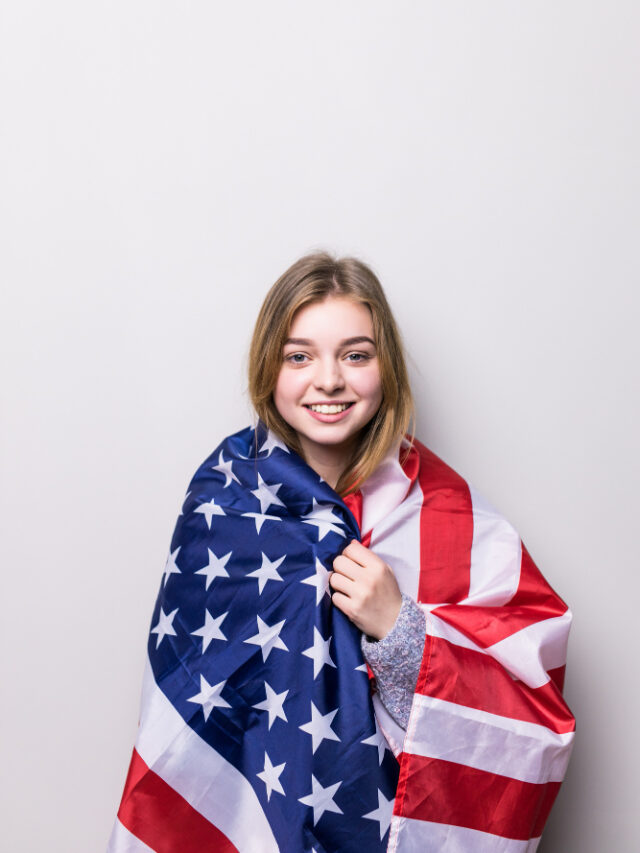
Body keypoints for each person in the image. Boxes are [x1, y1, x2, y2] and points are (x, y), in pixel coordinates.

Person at [108, 252, 575, 853]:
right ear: (267, 369)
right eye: (299, 356)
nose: (329, 380)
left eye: (356, 355)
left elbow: (526, 719)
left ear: (388, 370)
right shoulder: (224, 501)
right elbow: (189, 701)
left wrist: (400, 629)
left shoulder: (455, 522)